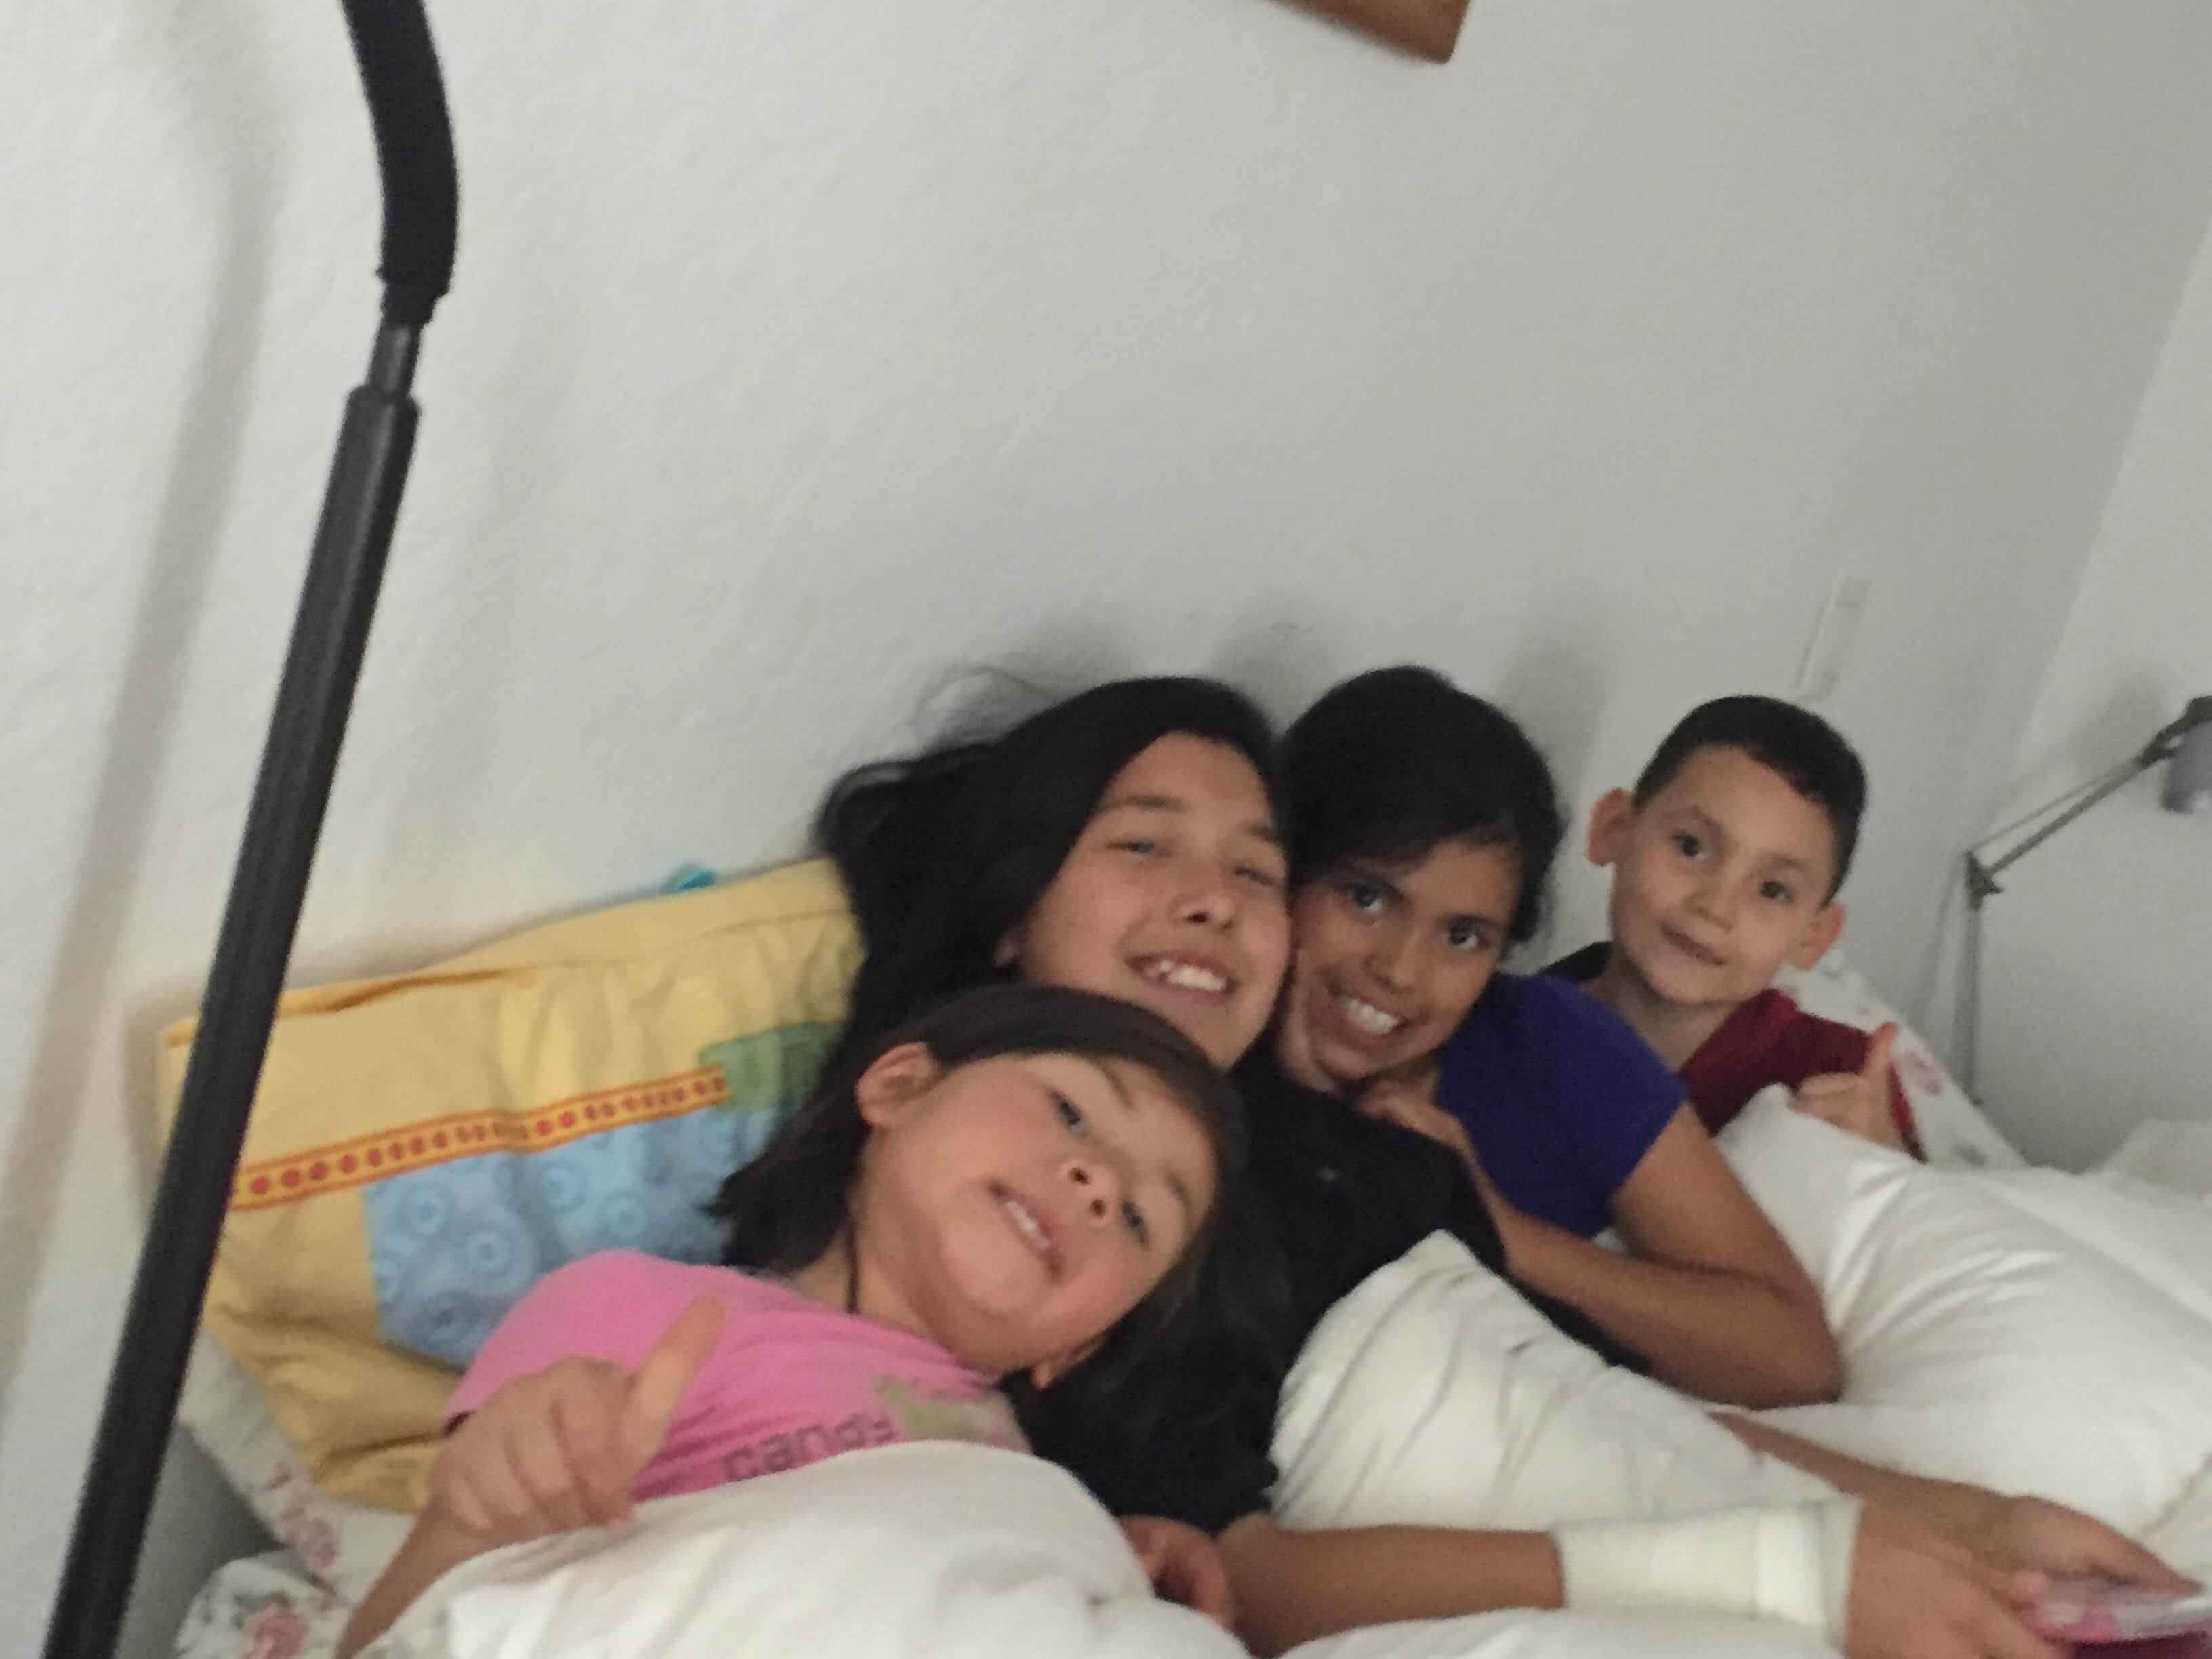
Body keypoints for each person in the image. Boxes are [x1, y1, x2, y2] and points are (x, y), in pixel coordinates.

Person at [813, 673, 2183, 1659]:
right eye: (1144, 846)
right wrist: (1789, 1570)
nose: (1213, 903)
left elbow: (1628, 1416)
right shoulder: (1081, 1216)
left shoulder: (1346, 1133)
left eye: (1250, 870)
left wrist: (1974, 1524)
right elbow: (1234, 1571)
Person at [335, 983, 1248, 1657]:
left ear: (1078, 1345)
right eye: (1071, 1112)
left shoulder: (1024, 1486)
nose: (1100, 1185)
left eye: (1140, 1219)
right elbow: (400, 1636)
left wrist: (1110, 1560)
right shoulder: (639, 1309)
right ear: (899, 1087)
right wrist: (479, 1515)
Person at [1303, 670, 1839, 1406]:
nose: (1399, 970)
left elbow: (1795, 1360)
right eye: (1366, 898)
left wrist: (1492, 1225)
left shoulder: (1549, 1043)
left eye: (1463, 936)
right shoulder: (1207, 1058)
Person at [1548, 695, 1921, 1154]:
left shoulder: (1844, 1075)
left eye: (1772, 890)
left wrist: (1883, 1161)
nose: (1716, 907)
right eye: (1690, 847)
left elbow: (1917, 1201)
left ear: (1814, 936)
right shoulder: (1514, 1024)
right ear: (1615, 830)